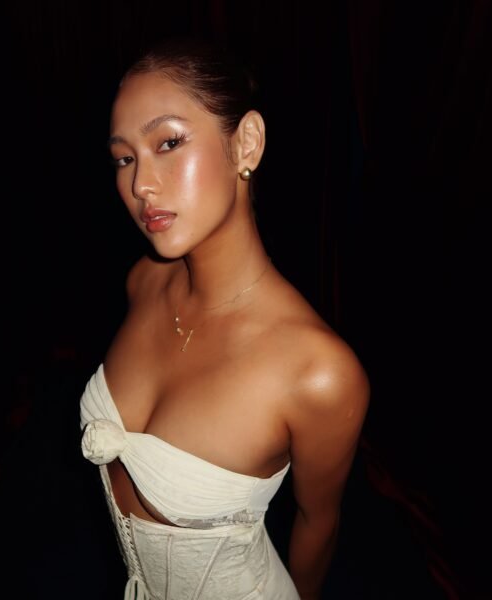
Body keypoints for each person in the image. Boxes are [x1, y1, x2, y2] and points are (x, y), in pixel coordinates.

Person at [79, 36, 369, 600]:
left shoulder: (319, 372)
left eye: (168, 142)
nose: (140, 185)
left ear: (247, 144)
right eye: (124, 158)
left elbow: (318, 525)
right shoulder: (144, 282)